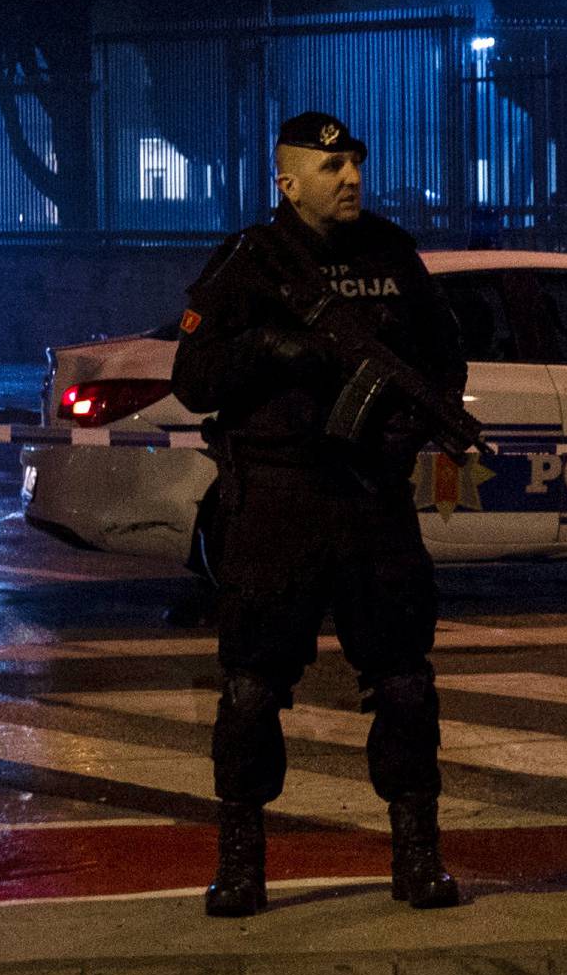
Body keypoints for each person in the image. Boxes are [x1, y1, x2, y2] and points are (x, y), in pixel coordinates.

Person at [172, 110, 467, 917]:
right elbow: (194, 376)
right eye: (331, 169)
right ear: (287, 181)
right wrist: (269, 351)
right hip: (277, 500)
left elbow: (442, 362)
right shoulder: (248, 261)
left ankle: (417, 857)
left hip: (372, 499)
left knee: (405, 682)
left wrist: (410, 422)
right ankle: (240, 864)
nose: (351, 179)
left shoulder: (390, 254)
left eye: (356, 167)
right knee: (252, 692)